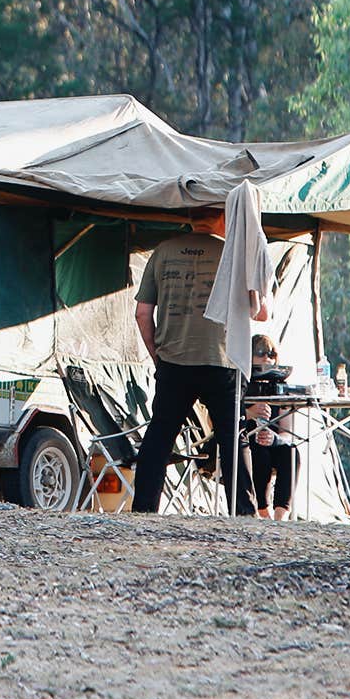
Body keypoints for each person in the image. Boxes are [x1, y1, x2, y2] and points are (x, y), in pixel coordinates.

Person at [131, 216, 260, 514]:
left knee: (160, 434)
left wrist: (157, 355)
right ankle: (245, 513)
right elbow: (260, 311)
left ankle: (143, 511)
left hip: (174, 360)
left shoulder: (163, 251)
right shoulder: (234, 255)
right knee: (233, 437)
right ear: (222, 216)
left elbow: (142, 313)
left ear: (190, 217)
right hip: (223, 360)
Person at [243, 333, 297, 520]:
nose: (267, 357)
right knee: (258, 452)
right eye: (260, 352)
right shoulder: (240, 383)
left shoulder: (280, 387)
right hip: (245, 442)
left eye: (271, 354)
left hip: (272, 442)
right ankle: (262, 509)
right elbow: (218, 418)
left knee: (291, 451)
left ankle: (281, 514)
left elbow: (288, 432)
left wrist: (276, 439)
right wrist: (249, 413)